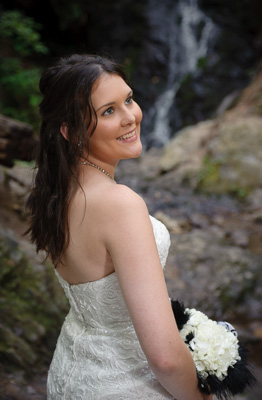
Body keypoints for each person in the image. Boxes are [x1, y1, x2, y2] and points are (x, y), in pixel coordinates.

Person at [26, 54, 212, 400]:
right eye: (108, 111)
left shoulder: (54, 193)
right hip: (124, 385)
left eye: (128, 99)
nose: (131, 117)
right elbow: (166, 359)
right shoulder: (120, 204)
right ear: (70, 131)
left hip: (72, 372)